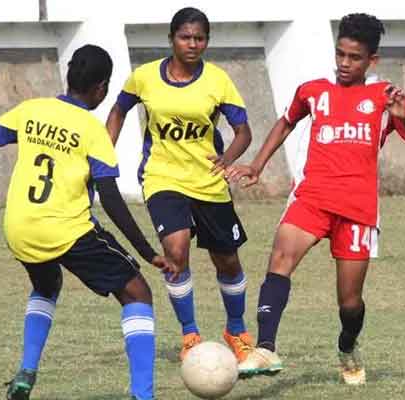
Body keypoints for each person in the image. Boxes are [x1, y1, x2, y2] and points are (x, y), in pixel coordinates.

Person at [0, 44, 178, 400]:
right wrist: (147, 252)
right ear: (101, 88)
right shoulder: (92, 130)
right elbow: (111, 199)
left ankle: (26, 372)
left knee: (47, 284)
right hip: (66, 228)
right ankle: (144, 395)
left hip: (20, 226)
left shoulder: (31, 110)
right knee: (137, 292)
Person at [226, 13, 405, 384]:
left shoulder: (387, 97)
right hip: (312, 197)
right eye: (340, 54)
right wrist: (257, 164)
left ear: (372, 60)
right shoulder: (314, 90)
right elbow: (287, 121)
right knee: (280, 257)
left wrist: (404, 119)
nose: (344, 63)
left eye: (354, 57)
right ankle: (266, 347)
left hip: (358, 210)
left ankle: (348, 345)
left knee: (349, 303)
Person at [106, 7, 255, 362]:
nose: (192, 44)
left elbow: (243, 132)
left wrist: (228, 157)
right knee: (176, 251)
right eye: (185, 37)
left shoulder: (218, 81)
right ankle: (190, 334)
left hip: (208, 181)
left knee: (227, 260)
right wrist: (103, 153)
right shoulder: (144, 77)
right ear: (172, 39)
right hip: (162, 177)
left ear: (207, 42)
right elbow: (118, 110)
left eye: (199, 38)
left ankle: (236, 330)